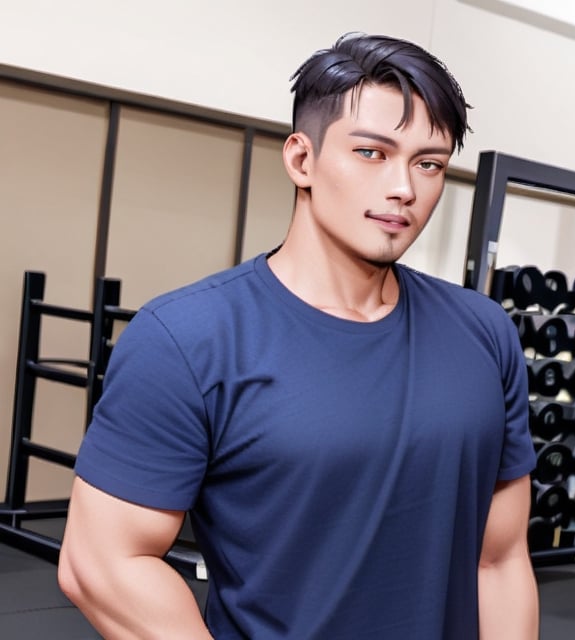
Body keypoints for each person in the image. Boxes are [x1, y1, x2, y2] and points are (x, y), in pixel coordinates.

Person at [58, 32, 539, 639]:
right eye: (371, 153)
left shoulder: (485, 333)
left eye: (429, 164)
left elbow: (498, 560)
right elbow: (101, 564)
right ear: (301, 160)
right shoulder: (186, 338)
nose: (405, 189)